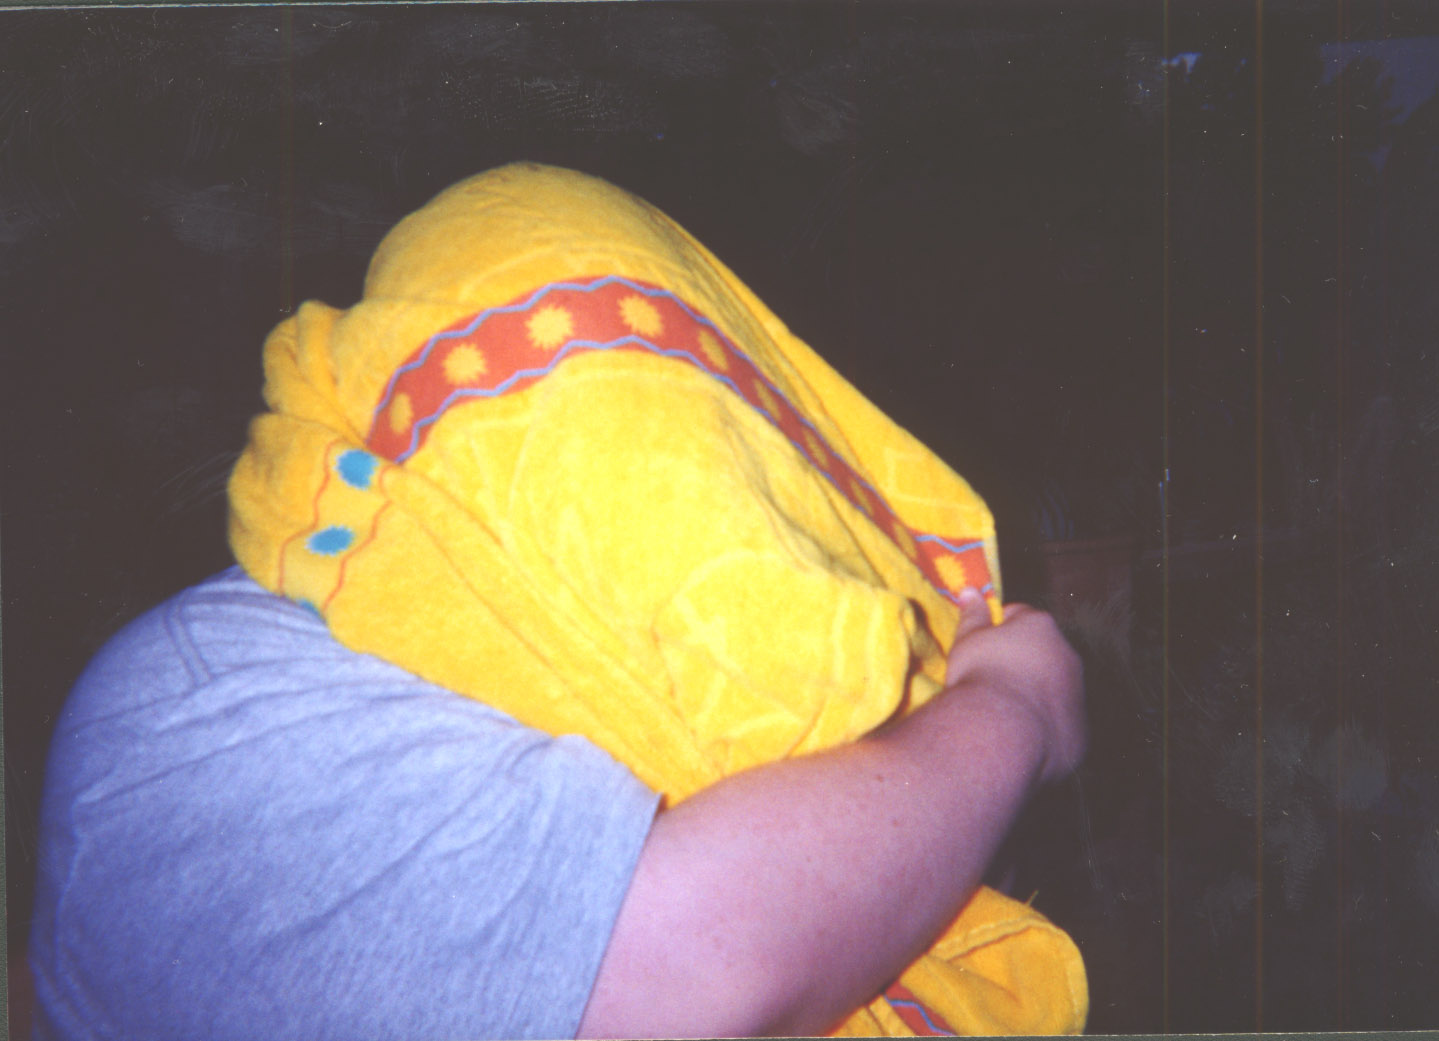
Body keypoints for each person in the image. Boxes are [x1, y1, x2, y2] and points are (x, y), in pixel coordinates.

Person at [29, 163, 1087, 1039]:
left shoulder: (579, 671)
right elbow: (690, 976)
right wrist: (1012, 713)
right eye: (641, 436)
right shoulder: (190, 708)